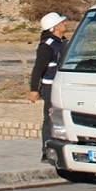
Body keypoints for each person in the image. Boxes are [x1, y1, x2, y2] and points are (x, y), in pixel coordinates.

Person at [28, 12, 68, 156]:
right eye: (62, 22)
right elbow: (38, 68)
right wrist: (33, 89)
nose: (65, 24)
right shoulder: (47, 46)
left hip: (63, 86)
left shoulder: (63, 42)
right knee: (50, 118)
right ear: (54, 27)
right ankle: (47, 149)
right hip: (50, 87)